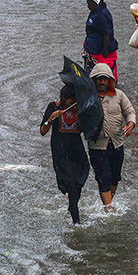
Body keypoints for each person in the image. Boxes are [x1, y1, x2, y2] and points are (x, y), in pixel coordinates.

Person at [87, 63, 135, 212]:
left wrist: (131, 123)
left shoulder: (119, 95)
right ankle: (109, 210)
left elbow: (129, 111)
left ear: (110, 80)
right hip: (97, 146)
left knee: (115, 178)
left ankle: (108, 202)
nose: (102, 82)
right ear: (93, 80)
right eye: (98, 79)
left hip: (116, 144)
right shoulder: (87, 98)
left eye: (105, 79)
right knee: (104, 178)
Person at [41, 84, 90, 224]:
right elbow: (42, 131)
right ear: (63, 98)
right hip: (61, 152)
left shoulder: (79, 108)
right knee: (70, 184)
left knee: (80, 179)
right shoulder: (54, 107)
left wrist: (80, 116)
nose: (73, 102)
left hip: (76, 150)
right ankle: (76, 219)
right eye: (71, 100)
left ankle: (72, 206)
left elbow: (81, 131)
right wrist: (52, 117)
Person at [81, 0, 118, 78]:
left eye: (89, 3)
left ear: (96, 2)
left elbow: (106, 33)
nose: (88, 5)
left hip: (100, 50)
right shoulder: (95, 12)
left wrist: (105, 50)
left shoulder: (101, 15)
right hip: (92, 48)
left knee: (102, 74)